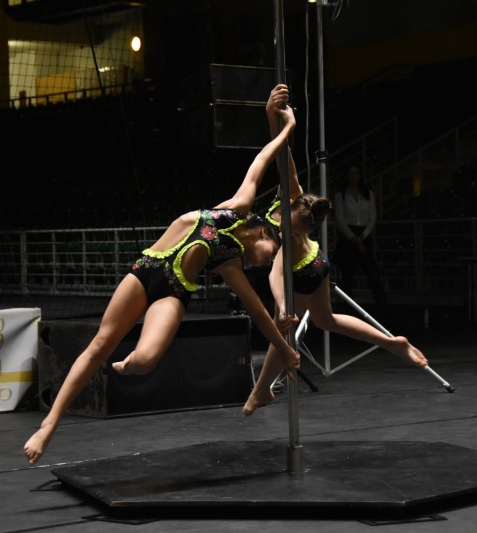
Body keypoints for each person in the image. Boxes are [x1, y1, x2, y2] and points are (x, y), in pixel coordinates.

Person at [24, 101, 301, 465]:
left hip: (173, 292)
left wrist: (284, 348)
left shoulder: (230, 263)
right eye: (271, 252)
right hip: (146, 270)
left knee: (144, 362)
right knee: (101, 344)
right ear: (264, 233)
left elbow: (260, 315)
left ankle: (128, 365)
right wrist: (284, 126)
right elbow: (263, 159)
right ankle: (49, 425)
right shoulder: (238, 207)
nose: (267, 261)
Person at [243, 85, 429, 416]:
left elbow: (277, 271)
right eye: (293, 228)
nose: (291, 232)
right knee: (326, 320)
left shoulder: (290, 234)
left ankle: (261, 390)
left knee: (281, 329)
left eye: (296, 232)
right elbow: (281, 152)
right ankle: (391, 342)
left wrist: (283, 305)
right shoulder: (293, 192)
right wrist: (272, 116)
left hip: (304, 271)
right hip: (319, 262)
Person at [333, 165, 391, 318]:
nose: (354, 176)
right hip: (348, 237)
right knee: (347, 279)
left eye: (356, 173)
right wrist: (353, 238)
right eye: (351, 173)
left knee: (373, 276)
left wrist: (363, 236)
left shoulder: (368, 193)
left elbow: (372, 217)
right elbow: (340, 219)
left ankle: (384, 312)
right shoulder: (341, 195)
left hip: (364, 235)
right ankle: (349, 313)